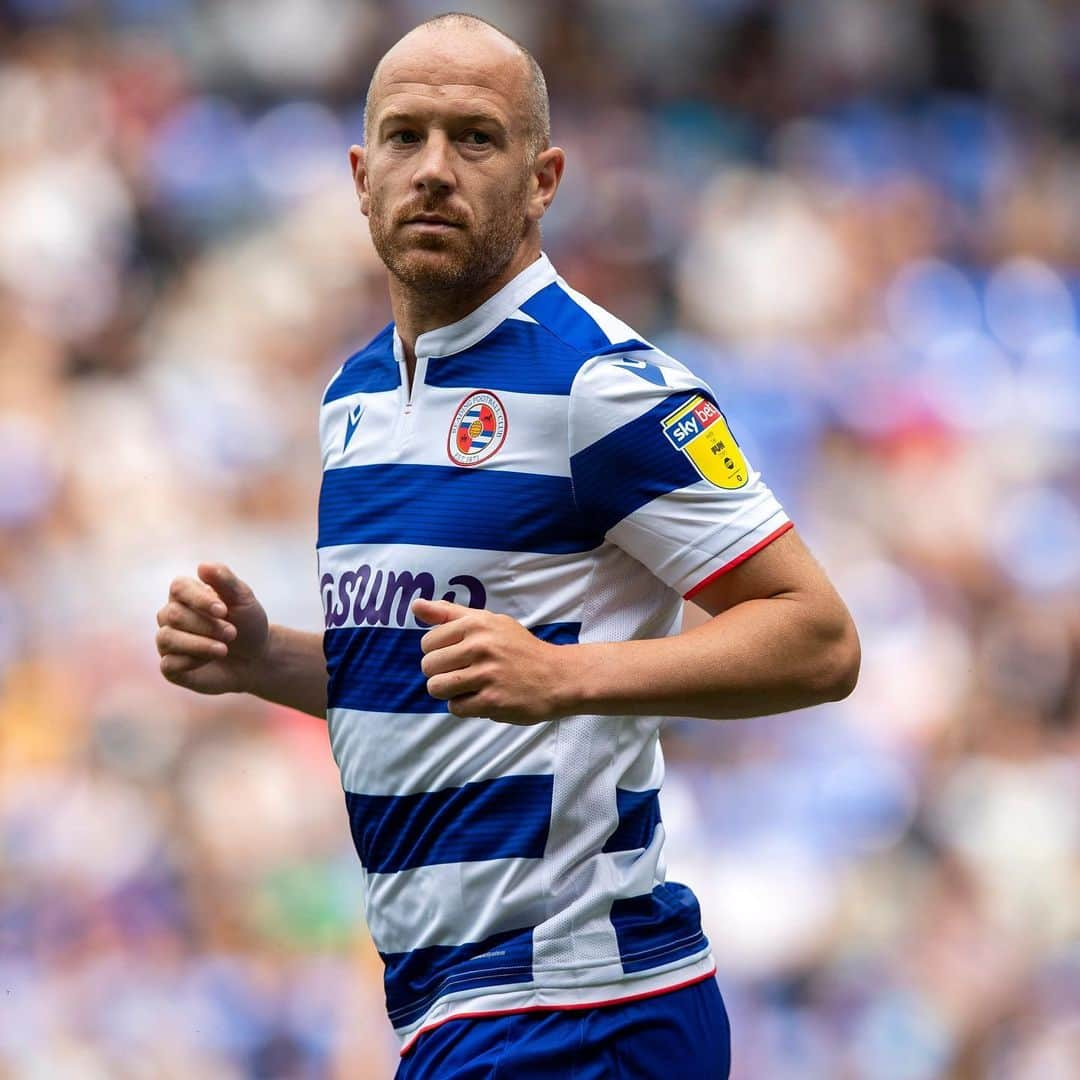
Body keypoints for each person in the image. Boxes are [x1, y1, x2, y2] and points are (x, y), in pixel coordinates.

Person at [155, 13, 860, 1078]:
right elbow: (433, 692)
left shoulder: (604, 387)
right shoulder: (355, 398)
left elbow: (819, 640)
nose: (433, 169)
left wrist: (568, 674)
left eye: (475, 138)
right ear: (359, 172)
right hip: (451, 1009)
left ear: (544, 178)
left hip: (586, 1009)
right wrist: (264, 662)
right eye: (404, 137)